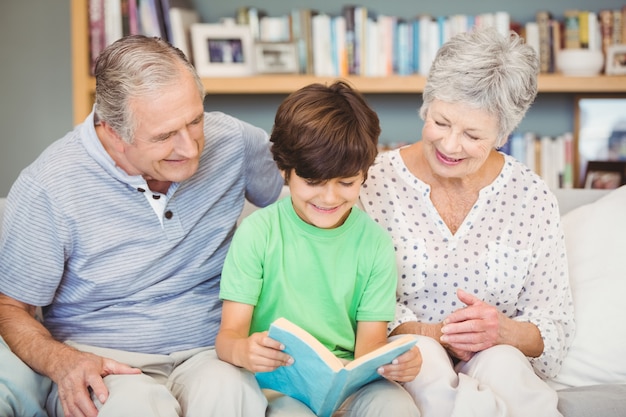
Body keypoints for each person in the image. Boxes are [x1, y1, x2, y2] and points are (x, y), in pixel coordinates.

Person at [0, 35, 284, 417]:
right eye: (165, 136)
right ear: (112, 133)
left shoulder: (231, 140)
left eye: (195, 120)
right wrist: (62, 362)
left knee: (229, 391)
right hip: (105, 361)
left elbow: (314, 188)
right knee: (135, 407)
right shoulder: (49, 186)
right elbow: (10, 307)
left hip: (210, 351)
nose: (190, 147)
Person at [360, 27, 575, 417]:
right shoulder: (372, 183)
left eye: (473, 134)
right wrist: (436, 335)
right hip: (409, 359)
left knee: (503, 363)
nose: (450, 145)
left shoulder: (531, 196)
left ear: (503, 135)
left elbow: (555, 325)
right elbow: (350, 302)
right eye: (441, 123)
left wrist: (503, 331)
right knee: (425, 358)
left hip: (498, 358)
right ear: (426, 107)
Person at [215, 81, 422, 417]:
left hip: (348, 384)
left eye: (346, 183)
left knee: (397, 406)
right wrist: (243, 351)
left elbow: (369, 350)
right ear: (285, 170)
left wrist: (397, 364)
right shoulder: (258, 233)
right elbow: (228, 337)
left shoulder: (374, 243)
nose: (329, 198)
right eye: (313, 182)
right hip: (277, 383)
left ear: (364, 175)